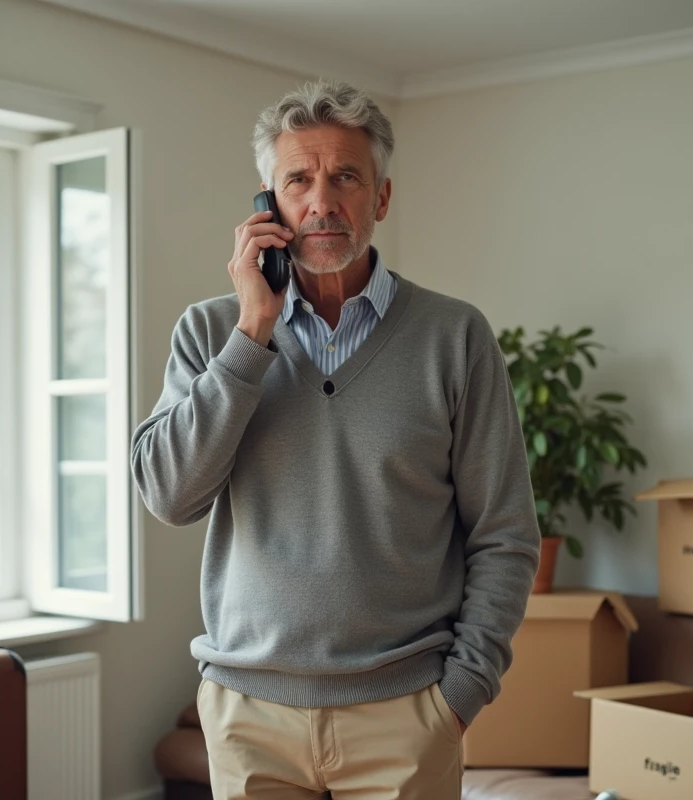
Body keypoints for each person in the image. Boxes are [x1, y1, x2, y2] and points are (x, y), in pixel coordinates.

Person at [131, 79, 540, 799]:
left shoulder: (454, 336)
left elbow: (505, 532)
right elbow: (169, 494)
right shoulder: (210, 332)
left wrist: (459, 697)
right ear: (269, 201)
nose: (322, 200)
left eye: (346, 177)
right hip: (248, 715)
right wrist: (251, 336)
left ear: (380, 198)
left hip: (407, 714)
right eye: (299, 179)